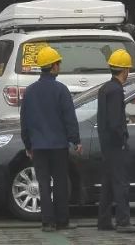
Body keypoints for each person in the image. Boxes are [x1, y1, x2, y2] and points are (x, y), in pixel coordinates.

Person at [20, 46, 81, 233]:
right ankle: (62, 221)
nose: (59, 66)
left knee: (44, 184)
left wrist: (28, 144)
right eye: (58, 63)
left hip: (38, 146)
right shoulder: (61, 90)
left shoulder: (30, 91)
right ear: (53, 66)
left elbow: (25, 121)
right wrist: (75, 140)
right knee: (61, 183)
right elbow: (69, 118)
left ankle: (47, 222)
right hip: (58, 146)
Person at [96, 49, 135, 234]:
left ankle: (104, 220)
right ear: (125, 70)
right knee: (121, 184)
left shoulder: (105, 88)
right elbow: (115, 121)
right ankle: (123, 221)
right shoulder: (116, 91)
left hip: (106, 144)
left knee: (108, 183)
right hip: (116, 145)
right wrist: (122, 138)